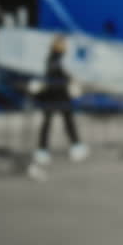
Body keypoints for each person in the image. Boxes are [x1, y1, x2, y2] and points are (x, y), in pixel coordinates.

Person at [33, 35, 88, 165]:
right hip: (56, 94)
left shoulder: (55, 58)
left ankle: (72, 146)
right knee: (59, 122)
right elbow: (57, 73)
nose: (65, 47)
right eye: (62, 44)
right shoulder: (55, 59)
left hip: (56, 93)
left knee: (61, 121)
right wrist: (69, 77)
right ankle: (44, 150)